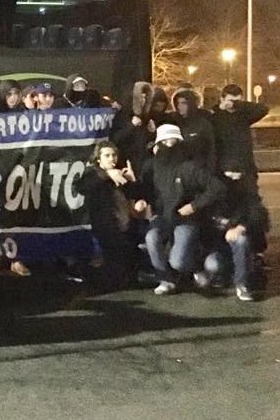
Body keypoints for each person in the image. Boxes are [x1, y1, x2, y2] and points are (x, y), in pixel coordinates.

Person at [139, 124, 225, 296]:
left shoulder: (189, 167)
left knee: (179, 262)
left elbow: (217, 187)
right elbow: (146, 190)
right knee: (151, 237)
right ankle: (166, 279)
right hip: (163, 217)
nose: (168, 145)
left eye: (173, 141)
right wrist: (141, 198)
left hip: (185, 219)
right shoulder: (152, 166)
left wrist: (194, 206)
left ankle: (195, 267)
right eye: (164, 141)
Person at [199, 156, 269, 301]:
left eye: (236, 175)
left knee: (241, 241)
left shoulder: (246, 195)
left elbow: (259, 214)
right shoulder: (214, 198)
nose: (233, 179)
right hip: (221, 249)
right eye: (230, 174)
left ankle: (241, 284)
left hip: (243, 247)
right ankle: (229, 274)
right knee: (212, 264)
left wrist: (241, 227)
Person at [77, 141, 140, 290]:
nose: (111, 159)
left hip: (124, 225)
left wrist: (132, 181)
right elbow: (82, 186)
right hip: (106, 227)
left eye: (114, 155)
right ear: (99, 158)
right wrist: (106, 174)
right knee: (110, 265)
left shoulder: (119, 173)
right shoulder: (92, 173)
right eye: (107, 156)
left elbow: (134, 195)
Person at [211, 84, 269, 187]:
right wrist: (220, 108)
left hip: (245, 168)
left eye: (237, 101)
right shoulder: (215, 116)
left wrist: (239, 105)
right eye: (230, 100)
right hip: (223, 168)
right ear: (222, 99)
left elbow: (263, 109)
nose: (233, 104)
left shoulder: (244, 115)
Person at [111, 81, 156, 174]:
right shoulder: (122, 115)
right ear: (133, 98)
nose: (143, 100)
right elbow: (114, 139)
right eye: (141, 97)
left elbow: (147, 142)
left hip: (143, 164)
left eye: (145, 97)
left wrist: (152, 132)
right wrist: (131, 126)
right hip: (126, 164)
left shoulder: (146, 116)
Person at [170, 86, 216, 172]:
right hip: (176, 171)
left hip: (198, 169)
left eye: (184, 103)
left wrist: (209, 171)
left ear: (191, 104)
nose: (180, 106)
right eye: (178, 103)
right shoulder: (172, 122)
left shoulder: (203, 123)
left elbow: (211, 149)